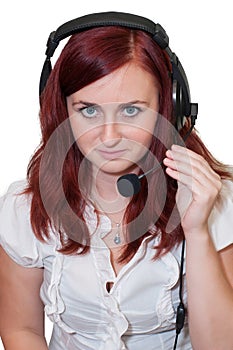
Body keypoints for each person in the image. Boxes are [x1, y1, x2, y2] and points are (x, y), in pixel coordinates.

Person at [0, 11, 233, 350]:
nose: (108, 137)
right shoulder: (25, 207)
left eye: (131, 110)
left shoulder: (215, 199)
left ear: (170, 108)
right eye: (89, 110)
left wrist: (196, 231)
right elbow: (22, 330)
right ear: (62, 110)